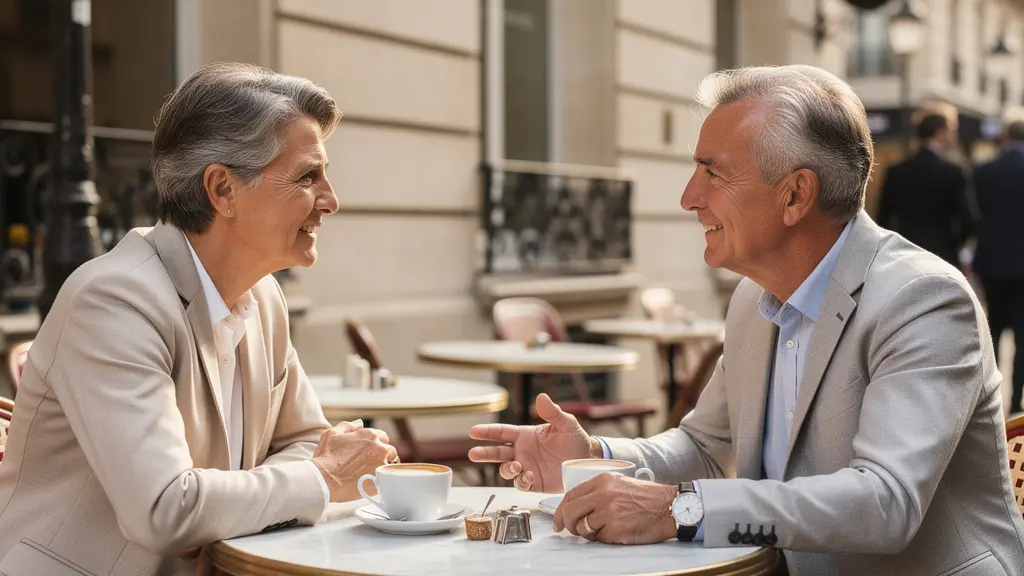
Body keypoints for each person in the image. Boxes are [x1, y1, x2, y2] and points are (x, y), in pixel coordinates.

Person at [470, 65, 1024, 576]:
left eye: (712, 172)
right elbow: (705, 447)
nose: (689, 197)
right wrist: (597, 457)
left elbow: (884, 502)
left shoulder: (922, 299)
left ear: (795, 195)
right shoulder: (752, 298)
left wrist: (678, 509)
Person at [0, 63, 398, 576]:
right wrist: (322, 479)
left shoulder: (264, 297)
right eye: (307, 176)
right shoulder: (115, 301)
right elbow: (165, 509)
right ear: (223, 190)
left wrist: (216, 512)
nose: (331, 200)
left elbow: (304, 440)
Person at [876, 103, 975, 270]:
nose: (954, 137)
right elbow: (968, 221)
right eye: (952, 131)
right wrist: (954, 244)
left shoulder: (896, 171)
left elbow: (883, 218)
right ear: (940, 132)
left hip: (904, 257)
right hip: (943, 256)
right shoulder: (954, 172)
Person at [973, 119, 1024, 414]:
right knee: (1022, 336)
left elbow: (975, 215)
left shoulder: (984, 171)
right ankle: (1016, 401)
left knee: (991, 331)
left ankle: (988, 398)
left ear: (1005, 137)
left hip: (992, 261)